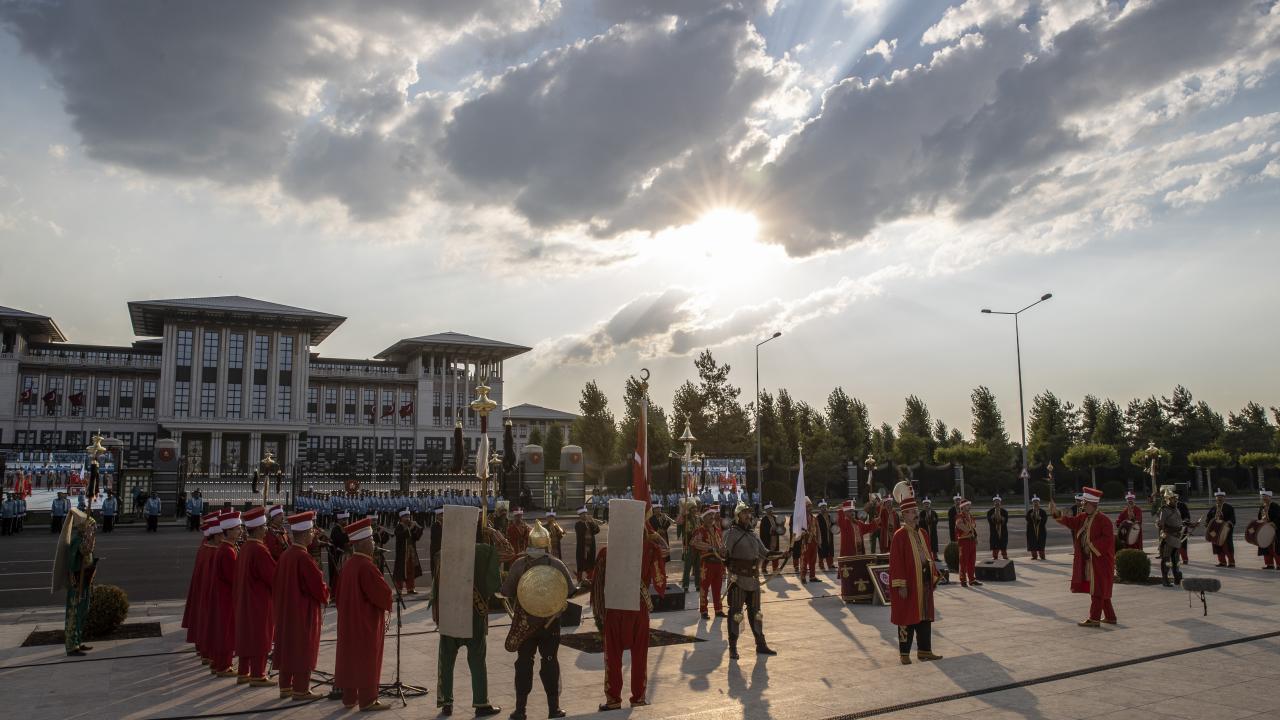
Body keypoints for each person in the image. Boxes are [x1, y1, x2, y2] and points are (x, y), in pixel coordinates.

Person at [590, 509, 667, 711]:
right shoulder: (651, 549)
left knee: (613, 655)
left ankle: (613, 699)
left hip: (615, 608)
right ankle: (638, 697)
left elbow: (597, 586)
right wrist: (654, 535)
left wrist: (599, 611)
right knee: (639, 654)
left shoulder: (606, 552)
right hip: (638, 608)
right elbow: (661, 576)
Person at [501, 521, 573, 720]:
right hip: (550, 623)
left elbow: (506, 591)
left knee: (524, 662)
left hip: (525, 624)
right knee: (550, 661)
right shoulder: (556, 564)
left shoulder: (518, 564)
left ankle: (520, 710)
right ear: (547, 543)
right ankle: (553, 709)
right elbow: (570, 591)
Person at [433, 517, 502, 717]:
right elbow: (508, 552)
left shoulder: (442, 554)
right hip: (474, 615)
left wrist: (437, 615)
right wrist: (493, 533)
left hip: (449, 614)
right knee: (477, 660)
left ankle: (446, 703)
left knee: (446, 660)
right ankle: (481, 703)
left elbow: (436, 588)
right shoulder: (482, 551)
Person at [334, 517, 393, 712]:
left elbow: (338, 595)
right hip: (365, 622)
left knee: (350, 658)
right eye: (372, 540)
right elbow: (382, 594)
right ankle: (368, 699)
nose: (374, 544)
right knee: (367, 658)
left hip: (348, 621)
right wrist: (389, 599)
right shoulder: (366, 566)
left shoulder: (349, 565)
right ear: (363, 543)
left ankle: (349, 698)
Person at [272, 511, 329, 700]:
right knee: (303, 647)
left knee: (288, 647)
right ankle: (301, 689)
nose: (313, 534)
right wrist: (326, 594)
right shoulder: (303, 557)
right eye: (311, 531)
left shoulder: (286, 554)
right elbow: (317, 585)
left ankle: (285, 686)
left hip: (286, 610)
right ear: (305, 534)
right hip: (303, 612)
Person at [888, 489, 942, 665]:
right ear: (904, 515)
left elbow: (929, 556)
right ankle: (904, 653)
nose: (916, 514)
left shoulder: (923, 533)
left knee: (925, 617)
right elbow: (896, 563)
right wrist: (901, 584)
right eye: (912, 512)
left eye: (916, 511)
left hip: (924, 583)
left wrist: (933, 576)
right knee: (907, 617)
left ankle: (925, 651)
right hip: (909, 584)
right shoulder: (899, 536)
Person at [1050, 486, 1116, 626]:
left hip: (1101, 561)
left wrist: (1090, 546)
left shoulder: (1103, 520)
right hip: (1090, 561)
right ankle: (1110, 617)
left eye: (1084, 503)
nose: (1082, 505)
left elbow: (1107, 540)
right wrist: (1056, 513)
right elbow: (1070, 522)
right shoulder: (1083, 517)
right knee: (1100, 588)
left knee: (1097, 590)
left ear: (1092, 504)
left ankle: (1094, 619)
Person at [724, 502, 777, 660]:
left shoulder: (753, 534)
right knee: (736, 614)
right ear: (737, 516)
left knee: (757, 614)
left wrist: (783, 554)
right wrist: (721, 553)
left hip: (753, 580)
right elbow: (724, 554)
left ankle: (761, 644)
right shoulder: (731, 533)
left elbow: (765, 553)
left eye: (749, 513)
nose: (748, 515)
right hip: (738, 580)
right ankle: (733, 647)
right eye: (744, 513)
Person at [233, 507, 277, 686]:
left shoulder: (245, 547)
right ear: (258, 528)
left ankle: (244, 672)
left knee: (247, 635)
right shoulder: (259, 550)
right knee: (261, 635)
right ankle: (258, 674)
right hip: (259, 600)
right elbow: (273, 577)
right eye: (264, 526)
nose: (266, 529)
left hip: (246, 598)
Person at [54, 508, 98, 656]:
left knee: (82, 613)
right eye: (90, 527)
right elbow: (84, 551)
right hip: (76, 583)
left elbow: (89, 552)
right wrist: (90, 536)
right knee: (74, 614)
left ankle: (78, 641)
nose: (92, 529)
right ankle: (71, 646)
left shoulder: (83, 540)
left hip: (84, 581)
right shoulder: (77, 541)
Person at [207, 510, 242, 676]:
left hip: (223, 595)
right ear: (228, 531)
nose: (240, 531)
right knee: (227, 630)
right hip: (227, 597)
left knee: (222, 629)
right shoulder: (228, 551)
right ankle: (224, 665)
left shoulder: (225, 548)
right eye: (237, 529)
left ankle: (218, 663)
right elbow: (234, 577)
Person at [184, 514, 220, 664]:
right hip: (211, 594)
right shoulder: (214, 551)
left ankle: (204, 650)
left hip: (204, 590)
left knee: (203, 619)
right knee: (210, 623)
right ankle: (209, 654)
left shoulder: (207, 548)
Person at [689, 506, 725, 619]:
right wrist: (710, 548)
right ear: (703, 518)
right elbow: (694, 543)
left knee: (717, 587)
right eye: (709, 515)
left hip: (718, 562)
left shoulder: (717, 530)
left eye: (712, 515)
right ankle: (703, 610)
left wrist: (723, 551)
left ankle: (718, 609)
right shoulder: (700, 530)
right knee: (704, 588)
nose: (711, 517)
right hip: (707, 563)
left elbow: (721, 544)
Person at [1155, 487, 1184, 587]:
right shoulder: (1164, 510)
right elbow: (1160, 524)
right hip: (1168, 538)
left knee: (1176, 560)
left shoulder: (1176, 509)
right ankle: (1165, 579)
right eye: (1172, 499)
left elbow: (1178, 521)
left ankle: (1176, 578)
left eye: (1175, 498)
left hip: (1177, 538)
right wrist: (1168, 529)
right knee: (1166, 560)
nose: (1175, 500)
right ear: (1168, 499)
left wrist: (1188, 524)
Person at [391, 508, 423, 594]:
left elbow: (417, 537)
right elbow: (401, 536)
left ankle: (410, 588)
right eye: (405, 516)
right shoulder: (399, 527)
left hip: (411, 552)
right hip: (402, 553)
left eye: (408, 516)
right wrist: (410, 528)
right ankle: (399, 589)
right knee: (400, 571)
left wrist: (417, 527)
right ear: (401, 517)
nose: (408, 518)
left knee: (411, 570)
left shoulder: (410, 525)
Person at [1205, 488, 1235, 567]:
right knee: (1217, 545)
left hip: (1225, 530)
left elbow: (1232, 518)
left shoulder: (1229, 507)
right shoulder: (1213, 508)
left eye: (1221, 497)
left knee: (1227, 546)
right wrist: (1207, 523)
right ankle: (1222, 562)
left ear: (1224, 498)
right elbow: (1208, 518)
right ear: (1216, 498)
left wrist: (1229, 523)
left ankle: (1231, 562)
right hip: (1215, 530)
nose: (1219, 498)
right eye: (1218, 497)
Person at [676, 499, 702, 591]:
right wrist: (682, 513)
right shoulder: (685, 517)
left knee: (698, 566)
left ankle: (698, 585)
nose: (695, 509)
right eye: (692, 508)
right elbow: (678, 522)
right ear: (689, 509)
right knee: (687, 566)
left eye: (695, 508)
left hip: (698, 545)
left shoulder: (698, 518)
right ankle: (685, 585)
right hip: (688, 545)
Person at [955, 499, 980, 587]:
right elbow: (959, 525)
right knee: (963, 561)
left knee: (972, 561)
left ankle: (972, 579)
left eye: (969, 505)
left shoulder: (970, 516)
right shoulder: (959, 516)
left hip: (971, 540)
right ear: (962, 507)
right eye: (967, 505)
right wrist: (969, 530)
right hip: (964, 540)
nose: (969, 507)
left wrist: (975, 537)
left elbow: (974, 526)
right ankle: (963, 580)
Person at [574, 507, 600, 585]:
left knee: (591, 562)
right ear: (579, 515)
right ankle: (579, 579)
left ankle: (590, 579)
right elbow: (581, 532)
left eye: (585, 514)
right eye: (583, 514)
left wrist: (593, 522)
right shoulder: (578, 524)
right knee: (581, 563)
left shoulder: (590, 523)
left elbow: (597, 530)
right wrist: (588, 523)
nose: (585, 515)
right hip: (582, 548)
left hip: (591, 547)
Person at [759, 504, 787, 572]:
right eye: (769, 509)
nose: (771, 510)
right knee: (768, 555)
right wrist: (771, 529)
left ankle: (775, 569)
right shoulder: (764, 520)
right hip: (768, 539)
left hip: (775, 538)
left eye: (771, 509)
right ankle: (763, 568)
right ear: (766, 511)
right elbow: (763, 531)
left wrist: (782, 526)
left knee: (776, 554)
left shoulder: (775, 518)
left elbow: (779, 528)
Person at [1256, 490, 1280, 569]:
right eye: (1263, 496)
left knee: (1275, 547)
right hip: (1264, 530)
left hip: (1274, 529)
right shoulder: (1262, 506)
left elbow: (1278, 517)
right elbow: (1259, 517)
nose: (1264, 498)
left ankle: (1279, 564)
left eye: (1266, 496)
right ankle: (1269, 564)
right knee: (1266, 547)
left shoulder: (1275, 506)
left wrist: (1273, 523)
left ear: (1270, 497)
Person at [328, 511, 350, 590]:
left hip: (345, 556)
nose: (346, 521)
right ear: (339, 520)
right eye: (344, 519)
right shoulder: (336, 529)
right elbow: (341, 540)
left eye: (346, 519)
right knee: (336, 577)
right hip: (337, 557)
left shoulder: (346, 528)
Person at [987, 495, 1009, 560]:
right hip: (994, 530)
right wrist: (993, 517)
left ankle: (1004, 555)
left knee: (1003, 543)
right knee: (995, 543)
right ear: (993, 503)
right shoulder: (990, 512)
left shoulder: (1004, 511)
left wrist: (1001, 518)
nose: (997, 503)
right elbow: (989, 521)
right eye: (995, 502)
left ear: (1000, 502)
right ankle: (995, 556)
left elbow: (1006, 521)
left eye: (998, 501)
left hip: (1003, 530)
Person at [816, 500, 835, 571]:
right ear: (820, 508)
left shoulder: (829, 516)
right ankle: (821, 565)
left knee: (830, 549)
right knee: (821, 550)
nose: (824, 508)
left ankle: (830, 564)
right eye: (822, 507)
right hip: (822, 536)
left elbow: (833, 524)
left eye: (825, 506)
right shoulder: (818, 517)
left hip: (829, 535)